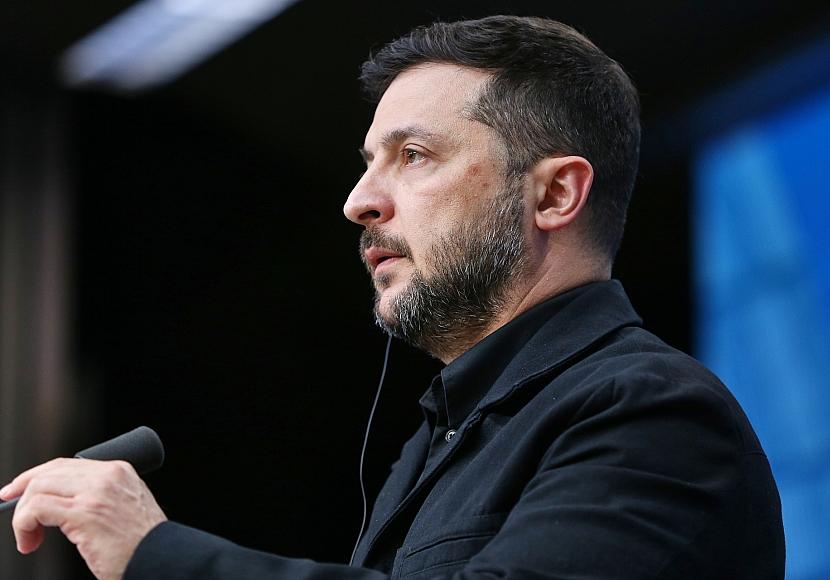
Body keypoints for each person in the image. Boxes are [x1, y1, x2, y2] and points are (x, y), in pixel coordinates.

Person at [0, 15, 784, 580]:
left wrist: (155, 551)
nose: (358, 201)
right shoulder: (440, 438)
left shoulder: (655, 415)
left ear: (553, 195)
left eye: (413, 156)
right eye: (369, 161)